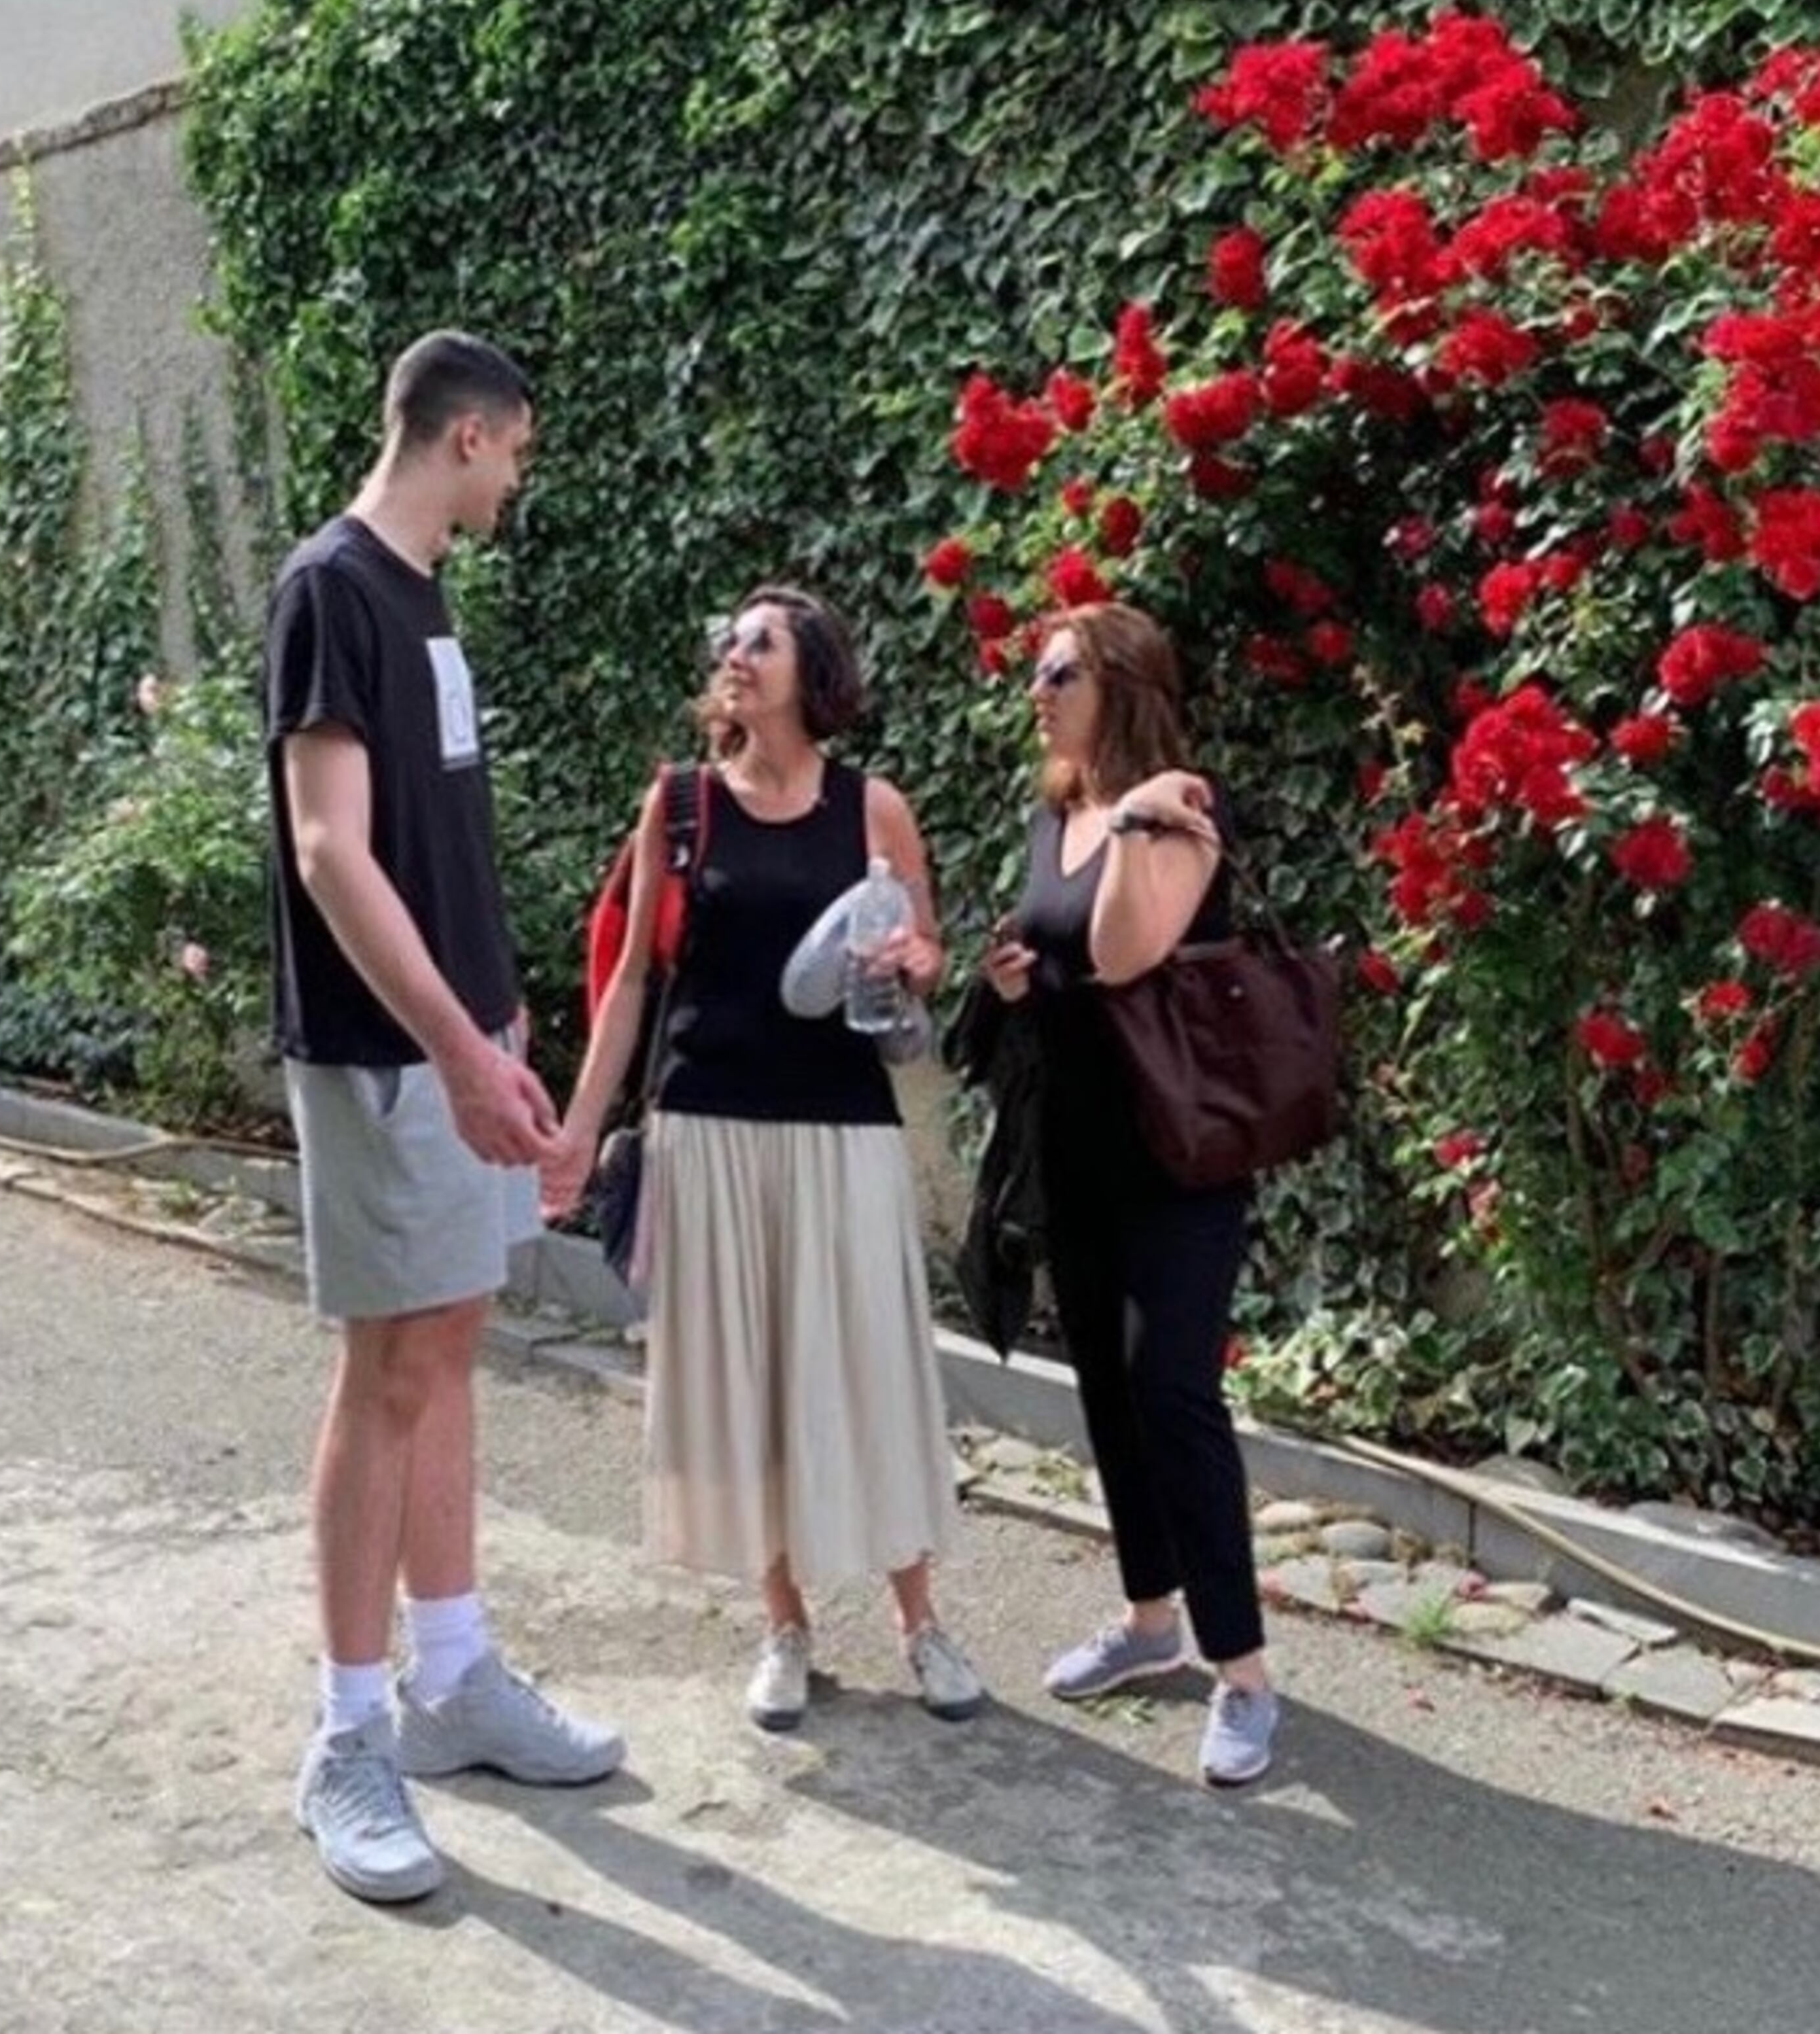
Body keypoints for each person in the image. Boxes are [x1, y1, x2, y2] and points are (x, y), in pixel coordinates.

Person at [264, 328, 623, 1905]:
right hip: (380, 1049)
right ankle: (349, 1732)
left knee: (451, 1336)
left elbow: (435, 830)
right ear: (469, 435)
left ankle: (455, 1678)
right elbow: (333, 852)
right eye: (519, 453)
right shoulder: (332, 588)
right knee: (388, 1358)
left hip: (457, 1030)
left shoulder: (423, 600)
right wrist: (451, 1051)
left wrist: (500, 1008)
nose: (520, 480)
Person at [543, 585, 985, 1732]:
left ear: (813, 669)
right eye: (728, 638)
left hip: (844, 1128)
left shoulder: (871, 805)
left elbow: (926, 945)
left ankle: (920, 1621)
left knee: (871, 1369)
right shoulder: (680, 804)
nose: (734, 654)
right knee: (750, 1383)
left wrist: (915, 955)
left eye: (761, 640)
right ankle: (783, 1626)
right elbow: (635, 976)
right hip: (709, 1125)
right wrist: (579, 1126)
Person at [975, 601, 1281, 1787]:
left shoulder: (1180, 813)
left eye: (1058, 672)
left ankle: (1243, 1673)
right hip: (1078, 1142)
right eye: (1037, 672)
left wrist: (1140, 812)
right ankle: (1152, 1621)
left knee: (1174, 1391)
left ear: (1119, 681)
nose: (1038, 692)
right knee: (1104, 1379)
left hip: (1181, 1152)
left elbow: (1114, 953)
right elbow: (1054, 957)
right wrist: (1011, 974)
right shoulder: (1058, 810)